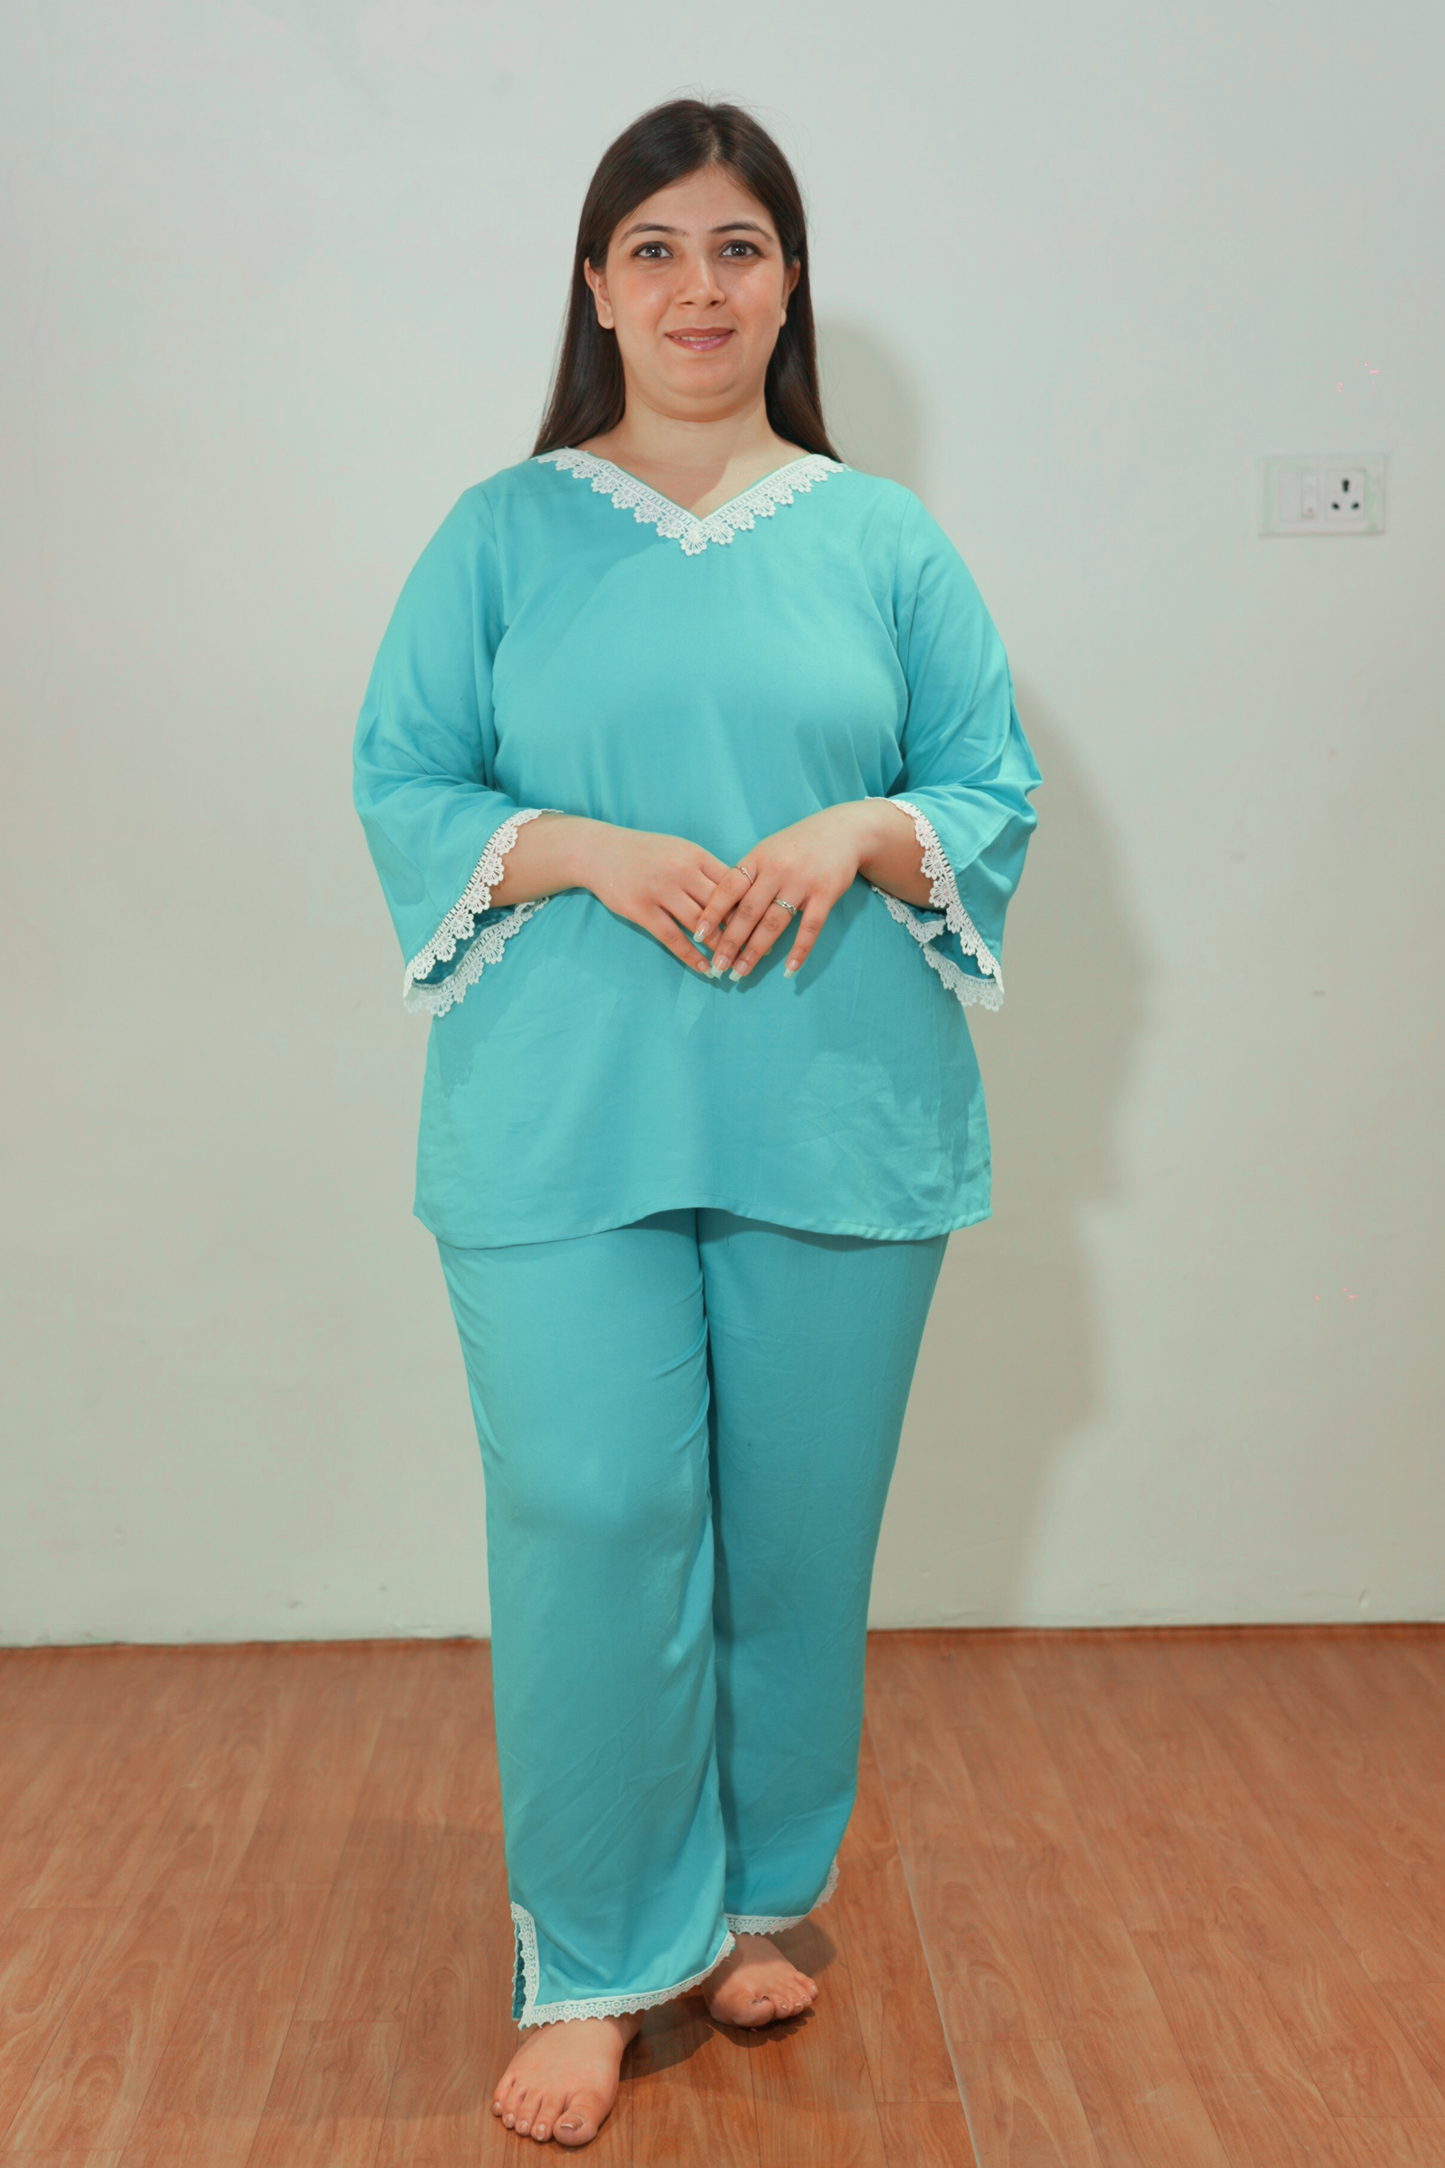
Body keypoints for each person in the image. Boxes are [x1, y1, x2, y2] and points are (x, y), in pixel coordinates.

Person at [353, 95, 1040, 2151]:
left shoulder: (883, 538)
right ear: (596, 287)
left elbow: (988, 785)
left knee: (793, 1537)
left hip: (839, 1116)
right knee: (592, 1514)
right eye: (653, 249)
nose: (696, 287)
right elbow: (404, 778)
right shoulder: (499, 531)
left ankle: (749, 1900)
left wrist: (859, 828)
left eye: (736, 246)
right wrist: (577, 846)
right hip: (559, 1124)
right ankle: (590, 1958)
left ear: (787, 282)